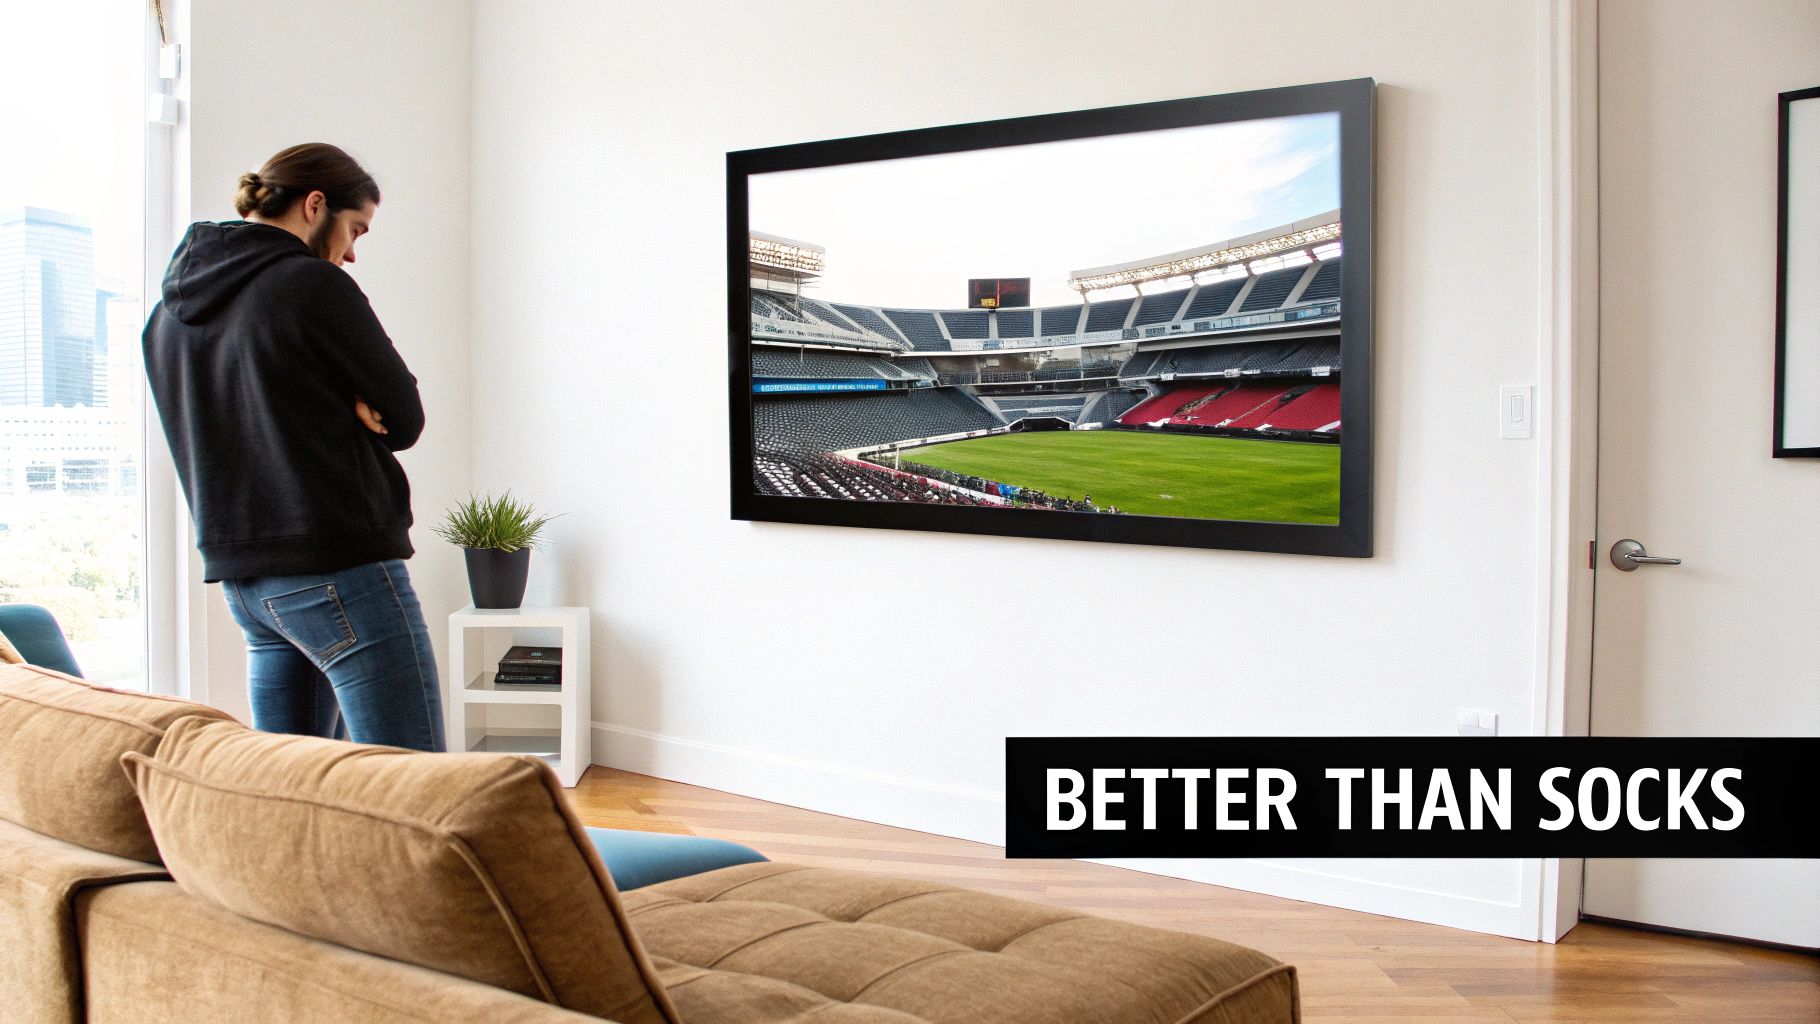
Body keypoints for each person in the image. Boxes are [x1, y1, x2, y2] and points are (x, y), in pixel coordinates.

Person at [143, 143, 444, 752]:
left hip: (248, 585)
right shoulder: (312, 285)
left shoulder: (166, 318)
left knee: (292, 787)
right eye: (355, 228)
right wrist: (355, 403)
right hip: (339, 568)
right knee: (414, 784)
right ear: (314, 205)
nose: (353, 252)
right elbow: (406, 419)